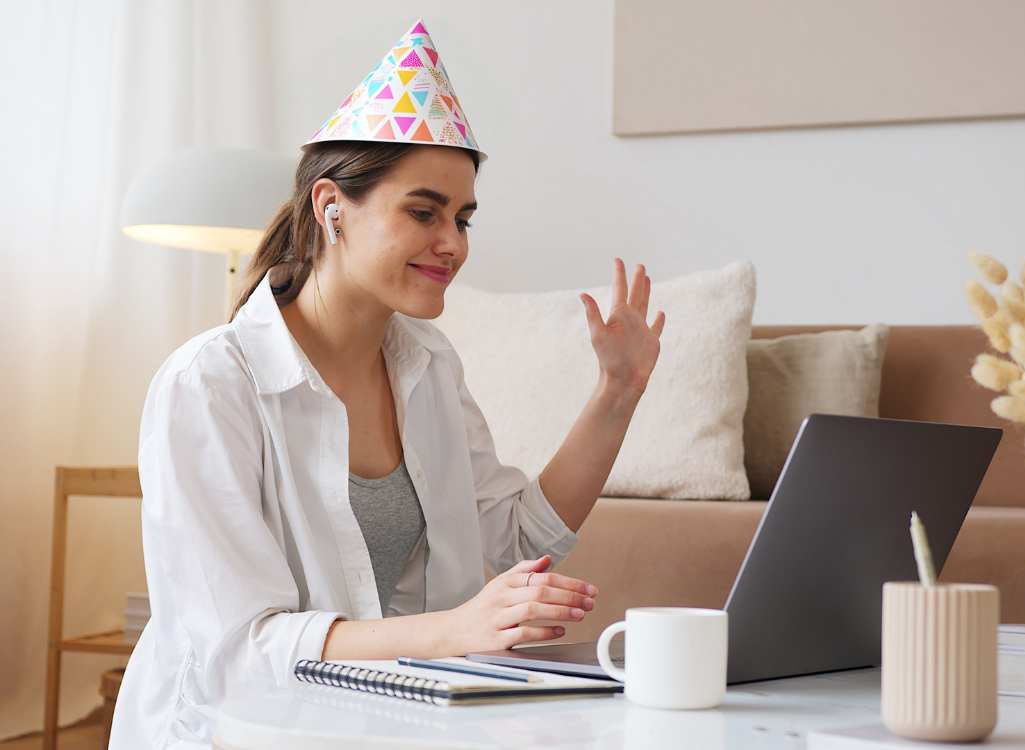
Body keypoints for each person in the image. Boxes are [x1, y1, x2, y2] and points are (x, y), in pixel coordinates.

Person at [109, 19, 664, 749]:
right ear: (331, 207)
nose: (453, 244)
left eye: (462, 218)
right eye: (423, 211)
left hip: (382, 721)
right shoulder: (208, 385)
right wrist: (455, 631)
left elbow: (513, 541)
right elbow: (240, 653)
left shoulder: (427, 362)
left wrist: (616, 395)